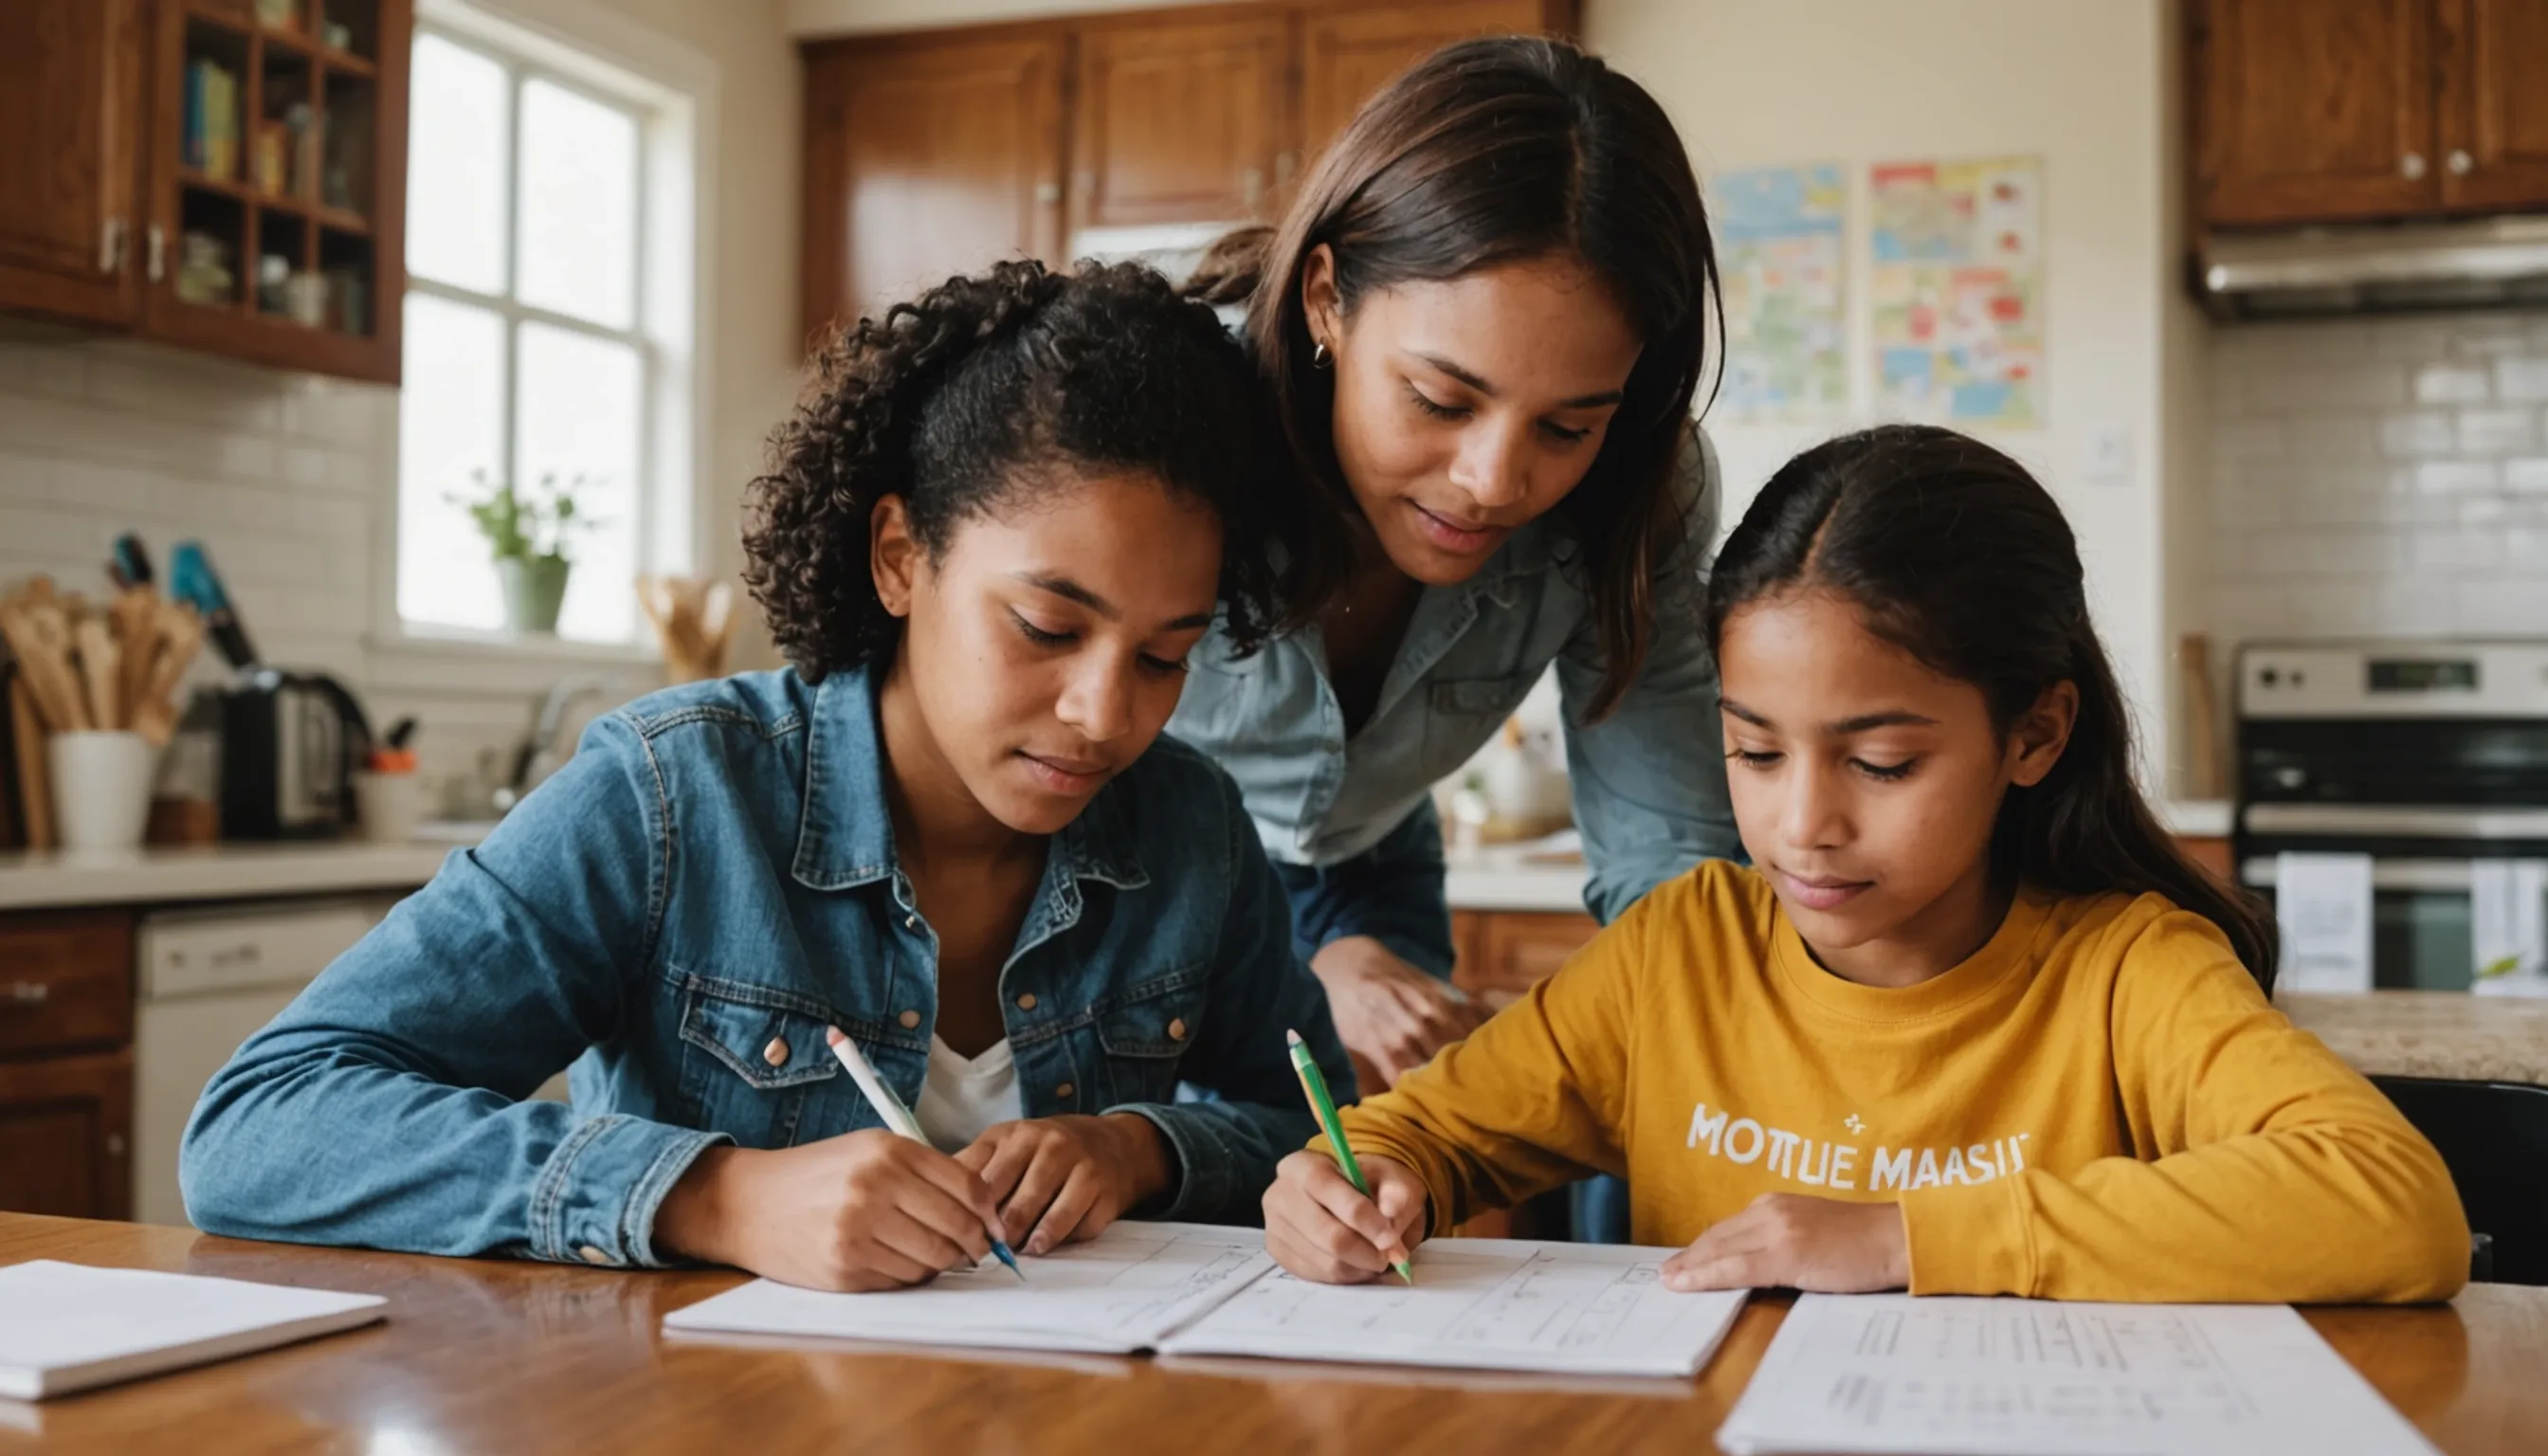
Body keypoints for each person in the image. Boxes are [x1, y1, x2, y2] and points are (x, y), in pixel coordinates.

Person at [181, 261, 1354, 1293]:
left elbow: (1331, 1133)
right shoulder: (673, 797)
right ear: (901, 557)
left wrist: (1143, 1151)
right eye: (1048, 627)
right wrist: (718, 1198)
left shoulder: (1190, 827)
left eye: (1164, 656)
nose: (1106, 715)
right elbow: (260, 1125)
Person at [1260, 424, 2470, 1304]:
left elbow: (2390, 1204)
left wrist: (1907, 1237)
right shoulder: (1680, 953)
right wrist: (1343, 1182)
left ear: (2034, 735)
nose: (1801, 826)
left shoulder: (2128, 973)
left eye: (1882, 764)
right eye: (1753, 751)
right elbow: (1422, 1138)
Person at [1177, 36, 1740, 1101]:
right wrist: (1300, 963)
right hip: (1141, 870)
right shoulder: (1168, 428)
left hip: (1368, 866)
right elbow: (1034, 787)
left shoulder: (1636, 496)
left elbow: (1670, 848)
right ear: (1325, 299)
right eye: (1441, 401)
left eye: (1568, 427)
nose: (1492, 482)